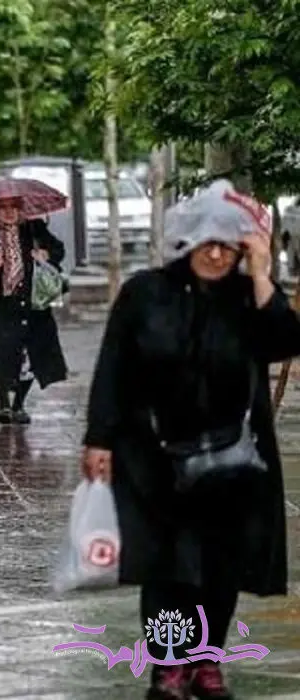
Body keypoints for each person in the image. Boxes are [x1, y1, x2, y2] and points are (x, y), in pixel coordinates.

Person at [81, 181, 300, 700]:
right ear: (187, 243)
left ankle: (207, 662)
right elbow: (113, 368)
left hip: (232, 462)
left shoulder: (248, 299)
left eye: (230, 245)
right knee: (167, 572)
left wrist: (263, 271)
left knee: (219, 571)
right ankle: (168, 667)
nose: (218, 254)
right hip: (155, 458)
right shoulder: (145, 292)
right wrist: (100, 439)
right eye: (209, 243)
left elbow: (286, 341)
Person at [0, 197, 68, 423]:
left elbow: (58, 249)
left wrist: (46, 255)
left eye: (14, 208)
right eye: (3, 209)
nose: (9, 213)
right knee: (3, 352)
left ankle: (19, 403)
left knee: (30, 354)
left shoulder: (34, 228)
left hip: (33, 303)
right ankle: (4, 404)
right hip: (2, 304)